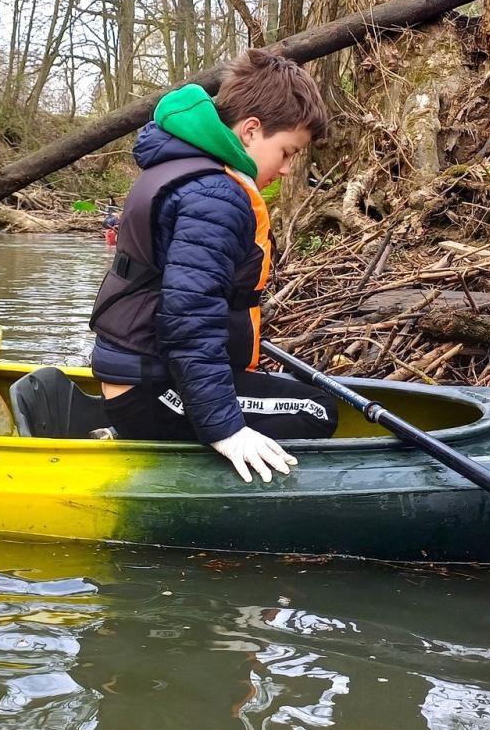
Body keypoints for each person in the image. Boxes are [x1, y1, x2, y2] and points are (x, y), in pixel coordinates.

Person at [89, 48, 339, 483]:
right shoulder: (215, 196)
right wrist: (226, 429)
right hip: (149, 390)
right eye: (286, 152)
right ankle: (181, 455)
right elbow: (189, 322)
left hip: (141, 376)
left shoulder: (182, 165)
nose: (285, 169)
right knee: (317, 410)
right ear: (250, 131)